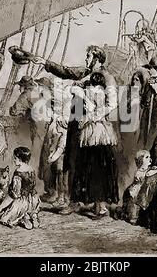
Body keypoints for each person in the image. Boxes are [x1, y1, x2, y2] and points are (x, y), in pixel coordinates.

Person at [31, 45, 117, 215]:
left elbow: (112, 104)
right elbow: (66, 71)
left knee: (94, 164)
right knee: (73, 160)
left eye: (89, 57)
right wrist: (44, 62)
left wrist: (91, 116)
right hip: (76, 122)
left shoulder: (107, 78)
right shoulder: (86, 73)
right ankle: (75, 200)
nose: (86, 59)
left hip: (93, 128)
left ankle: (97, 204)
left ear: (97, 59)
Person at [70, 72, 119, 217]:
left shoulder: (89, 92)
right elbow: (108, 107)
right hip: (101, 131)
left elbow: (93, 111)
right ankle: (99, 205)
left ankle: (97, 204)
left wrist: (88, 117)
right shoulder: (104, 92)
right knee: (100, 168)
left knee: (91, 167)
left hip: (93, 131)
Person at [38, 82, 72, 207]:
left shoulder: (62, 121)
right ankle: (56, 194)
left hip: (60, 151)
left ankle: (63, 198)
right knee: (54, 172)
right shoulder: (53, 119)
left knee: (61, 174)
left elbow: (62, 139)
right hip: (53, 148)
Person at [0, 147, 40, 229]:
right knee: (29, 209)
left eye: (15, 158)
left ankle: (23, 219)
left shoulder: (18, 172)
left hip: (21, 203)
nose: (14, 160)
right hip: (33, 200)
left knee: (1, 217)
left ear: (19, 159)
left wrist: (0, 207)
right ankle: (32, 216)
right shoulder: (31, 170)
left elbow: (15, 193)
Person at [121, 150, 157, 225]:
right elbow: (147, 175)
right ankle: (134, 218)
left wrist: (152, 168)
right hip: (137, 189)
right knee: (136, 203)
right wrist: (156, 171)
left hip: (143, 189)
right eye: (147, 157)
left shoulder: (147, 169)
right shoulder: (138, 172)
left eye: (149, 157)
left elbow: (148, 172)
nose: (150, 159)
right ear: (140, 161)